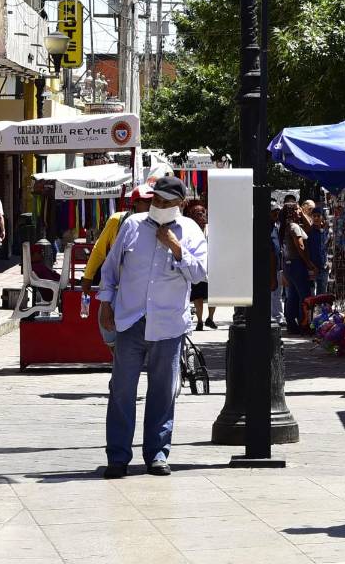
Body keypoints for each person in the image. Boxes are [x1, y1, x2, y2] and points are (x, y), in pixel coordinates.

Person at [97, 176, 207, 478]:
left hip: (168, 324)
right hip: (131, 319)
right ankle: (117, 457)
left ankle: (157, 453)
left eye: (165, 202)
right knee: (121, 390)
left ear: (179, 205)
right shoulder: (132, 226)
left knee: (163, 392)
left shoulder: (191, 231)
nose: (157, 206)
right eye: (155, 200)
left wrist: (176, 248)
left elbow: (200, 274)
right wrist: (106, 304)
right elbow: (110, 270)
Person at [82, 184, 153, 289]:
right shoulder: (117, 220)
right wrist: (88, 277)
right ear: (135, 203)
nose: (150, 206)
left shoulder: (158, 225)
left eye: (152, 202)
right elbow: (99, 250)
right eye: (146, 202)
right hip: (115, 284)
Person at [281, 204, 316, 334]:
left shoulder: (287, 226)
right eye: (296, 209)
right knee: (305, 296)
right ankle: (304, 324)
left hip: (289, 265)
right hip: (297, 264)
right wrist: (309, 263)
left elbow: (309, 227)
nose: (299, 211)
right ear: (291, 212)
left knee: (293, 295)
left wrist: (302, 214)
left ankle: (291, 323)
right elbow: (300, 246)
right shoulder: (294, 227)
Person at [186, 200, 216, 331]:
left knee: (214, 294)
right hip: (197, 266)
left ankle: (210, 318)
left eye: (203, 213)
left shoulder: (211, 228)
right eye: (198, 214)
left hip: (212, 266)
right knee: (198, 295)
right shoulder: (190, 230)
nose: (201, 216)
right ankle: (199, 320)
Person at [306, 207, 330, 296]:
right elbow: (305, 251)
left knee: (322, 296)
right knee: (311, 297)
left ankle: (320, 310)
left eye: (318, 216)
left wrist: (327, 262)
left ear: (322, 217)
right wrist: (311, 266)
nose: (316, 218)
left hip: (323, 268)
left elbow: (325, 248)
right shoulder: (308, 232)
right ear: (311, 217)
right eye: (314, 216)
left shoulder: (325, 231)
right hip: (312, 269)